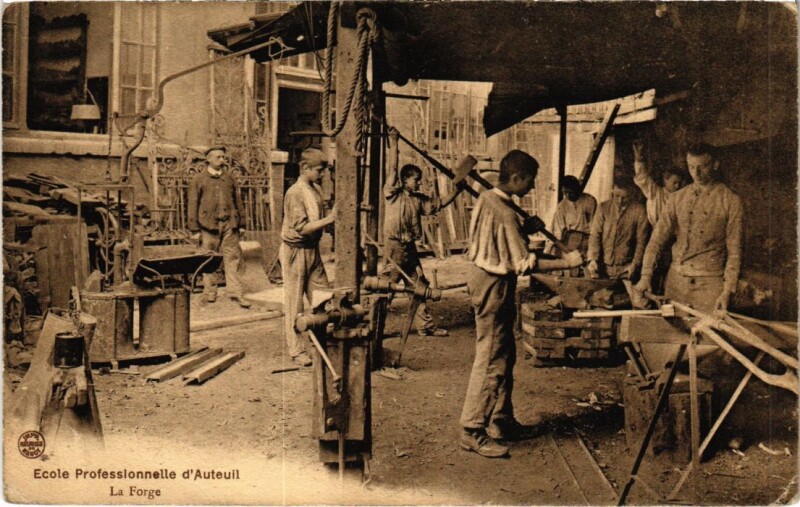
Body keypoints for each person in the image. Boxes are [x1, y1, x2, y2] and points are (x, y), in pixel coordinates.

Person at [459, 150, 583, 458]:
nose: (532, 187)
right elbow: (524, 263)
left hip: (485, 277)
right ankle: (471, 429)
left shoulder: (490, 196)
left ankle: (502, 420)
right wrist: (567, 261)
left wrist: (524, 228)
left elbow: (502, 232)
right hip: (494, 284)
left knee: (506, 355)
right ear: (515, 178)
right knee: (491, 359)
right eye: (530, 181)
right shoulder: (504, 212)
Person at [635, 142, 742, 314]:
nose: (696, 173)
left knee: (708, 338)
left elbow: (734, 251)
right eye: (691, 167)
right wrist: (645, 276)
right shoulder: (677, 198)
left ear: (715, 164)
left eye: (702, 167)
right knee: (669, 338)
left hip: (710, 286)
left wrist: (727, 291)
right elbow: (656, 240)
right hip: (676, 283)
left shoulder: (731, 201)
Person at [382, 128, 456, 337]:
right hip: (394, 248)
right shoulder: (391, 194)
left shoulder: (418, 200)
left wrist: (457, 190)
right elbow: (392, 168)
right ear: (405, 180)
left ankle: (425, 326)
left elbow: (439, 203)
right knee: (385, 289)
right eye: (416, 179)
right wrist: (393, 142)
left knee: (419, 287)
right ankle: (374, 326)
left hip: (409, 249)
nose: (419, 183)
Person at [281, 148, 337, 367]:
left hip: (312, 250)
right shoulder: (295, 192)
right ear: (304, 168)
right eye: (319, 170)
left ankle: (320, 344)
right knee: (294, 303)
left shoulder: (315, 189)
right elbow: (302, 228)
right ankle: (295, 350)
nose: (322, 175)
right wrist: (330, 219)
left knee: (322, 297)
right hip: (295, 251)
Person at [188, 146, 251, 308]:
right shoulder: (199, 179)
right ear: (208, 159)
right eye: (218, 157)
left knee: (232, 259)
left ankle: (236, 293)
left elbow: (238, 201)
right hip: (208, 226)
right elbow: (193, 203)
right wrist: (194, 229)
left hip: (230, 225)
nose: (222, 160)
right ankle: (210, 292)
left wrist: (242, 223)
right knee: (209, 259)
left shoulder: (229, 178)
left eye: (223, 157)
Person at [586, 177, 650, 280]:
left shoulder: (639, 211)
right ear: (612, 191)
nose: (620, 201)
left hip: (627, 268)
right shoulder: (603, 208)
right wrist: (593, 259)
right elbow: (595, 235)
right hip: (603, 267)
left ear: (631, 194)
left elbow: (641, 242)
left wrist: (635, 264)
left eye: (624, 197)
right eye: (617, 196)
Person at [632, 140, 689, 227]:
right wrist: (639, 159)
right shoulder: (655, 193)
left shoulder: (680, 196)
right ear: (665, 180)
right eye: (675, 183)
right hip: (657, 231)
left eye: (680, 183)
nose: (677, 186)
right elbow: (642, 177)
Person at [546, 175, 597, 258]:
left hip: (587, 239)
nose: (568, 196)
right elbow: (557, 231)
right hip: (570, 239)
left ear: (577, 189)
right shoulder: (562, 206)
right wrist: (548, 251)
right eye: (565, 193)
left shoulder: (589, 201)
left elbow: (594, 226)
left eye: (571, 192)